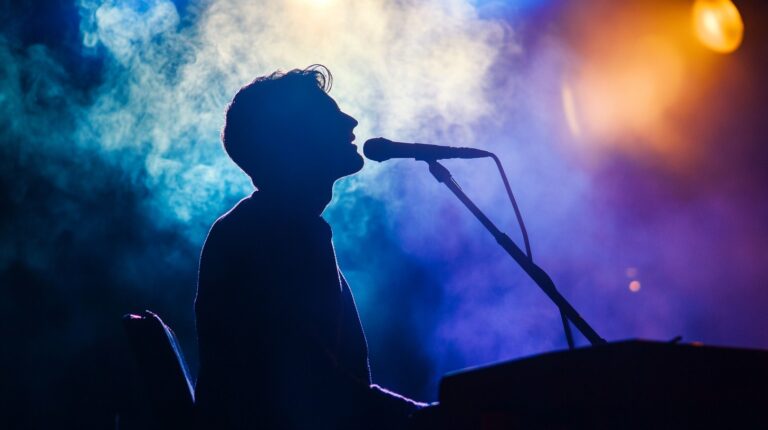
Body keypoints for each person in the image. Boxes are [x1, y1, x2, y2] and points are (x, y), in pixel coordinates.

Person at [194, 65, 425, 430]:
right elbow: (310, 383)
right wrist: (422, 417)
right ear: (294, 140)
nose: (351, 122)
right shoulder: (272, 232)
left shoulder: (269, 225)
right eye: (330, 117)